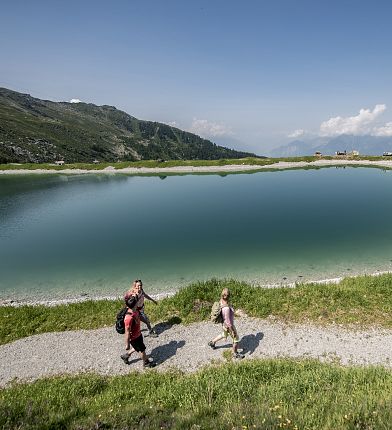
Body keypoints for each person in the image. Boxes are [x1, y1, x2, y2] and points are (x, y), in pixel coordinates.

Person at [120, 293, 156, 368]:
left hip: (138, 334)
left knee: (138, 347)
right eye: (136, 302)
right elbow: (127, 331)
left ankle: (126, 356)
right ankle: (146, 363)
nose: (137, 303)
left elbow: (139, 316)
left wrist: (146, 322)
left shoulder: (135, 310)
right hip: (134, 337)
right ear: (134, 305)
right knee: (142, 350)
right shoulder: (128, 318)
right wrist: (127, 344)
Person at [208, 288, 244, 359]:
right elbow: (228, 321)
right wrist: (232, 331)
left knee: (224, 334)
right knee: (236, 339)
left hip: (224, 324)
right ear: (228, 296)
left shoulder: (221, 301)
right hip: (228, 325)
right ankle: (235, 353)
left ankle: (212, 342)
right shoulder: (226, 308)